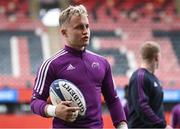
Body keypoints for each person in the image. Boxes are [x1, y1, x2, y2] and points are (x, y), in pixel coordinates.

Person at [30, 5, 127, 129]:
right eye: (79, 27)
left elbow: (113, 99)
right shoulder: (51, 64)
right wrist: (54, 110)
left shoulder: (102, 62)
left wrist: (122, 126)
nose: (85, 31)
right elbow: (35, 102)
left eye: (87, 26)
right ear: (64, 32)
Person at [127, 41, 172, 129]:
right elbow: (142, 106)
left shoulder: (153, 78)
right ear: (157, 57)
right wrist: (162, 125)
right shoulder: (140, 76)